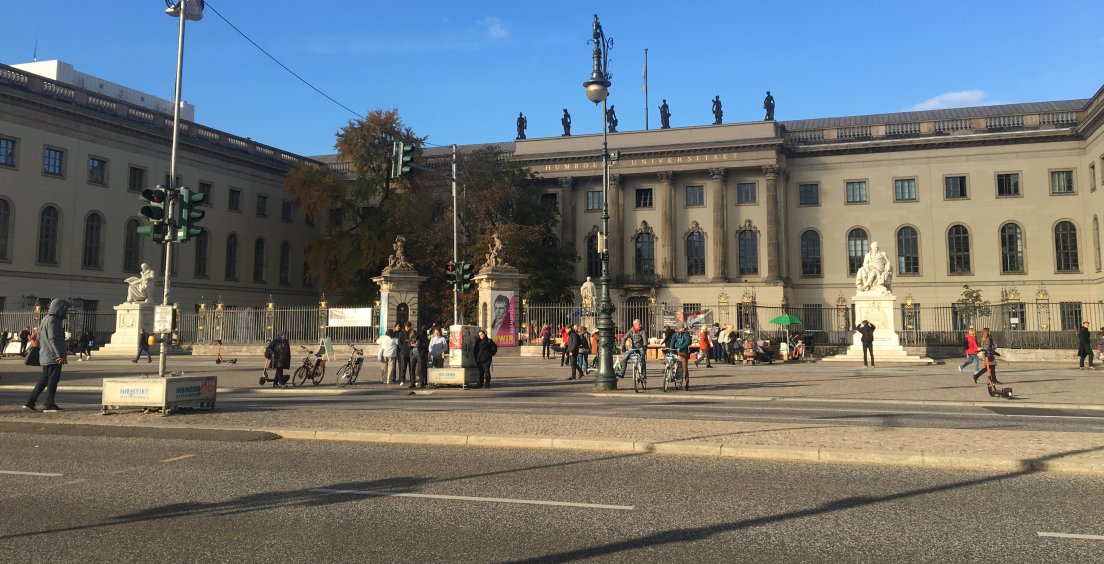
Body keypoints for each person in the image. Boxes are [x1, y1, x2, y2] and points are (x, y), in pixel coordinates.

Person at [24, 298, 71, 413]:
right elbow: (53, 339)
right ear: (60, 308)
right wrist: (59, 355)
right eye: (65, 309)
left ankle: (30, 402)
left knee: (44, 380)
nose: (66, 312)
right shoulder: (53, 320)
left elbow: (40, 337)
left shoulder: (45, 318)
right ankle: (48, 404)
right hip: (53, 357)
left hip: (46, 354)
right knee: (52, 381)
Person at [671, 322, 692, 389]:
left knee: (685, 368)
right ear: (679, 328)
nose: (684, 328)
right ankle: (673, 377)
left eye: (683, 327)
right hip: (677, 352)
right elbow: (672, 342)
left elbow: (688, 341)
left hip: (683, 352)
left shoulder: (686, 333)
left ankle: (687, 383)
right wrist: (672, 350)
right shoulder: (675, 334)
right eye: (682, 327)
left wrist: (681, 347)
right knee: (674, 366)